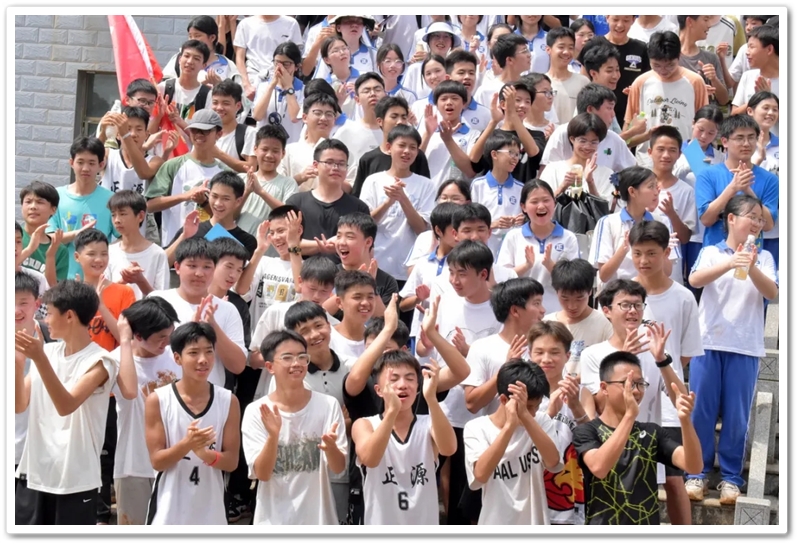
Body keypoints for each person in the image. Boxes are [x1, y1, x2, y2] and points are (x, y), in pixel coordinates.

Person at [686, 194, 778, 505]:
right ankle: (696, 474)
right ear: (731, 219)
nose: (757, 223)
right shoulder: (712, 252)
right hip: (708, 343)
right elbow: (695, 279)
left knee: (737, 417)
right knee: (701, 411)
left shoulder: (764, 258)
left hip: (745, 346)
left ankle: (730, 478)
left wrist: (750, 266)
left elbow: (772, 292)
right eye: (751, 216)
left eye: (760, 219)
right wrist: (730, 262)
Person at [15, 280, 122, 525]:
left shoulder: (101, 361)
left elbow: (66, 405)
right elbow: (19, 406)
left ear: (70, 315)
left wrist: (39, 358)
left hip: (75, 479)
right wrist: (18, 364)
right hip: (35, 473)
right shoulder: (48, 352)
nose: (46, 320)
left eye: (50, 313)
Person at [629, 221, 704, 525]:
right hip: (629, 397)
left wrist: (663, 370)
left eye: (651, 253)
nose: (643, 260)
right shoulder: (621, 292)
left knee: (673, 479)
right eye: (637, 253)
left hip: (669, 401)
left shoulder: (683, 297)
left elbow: (686, 351)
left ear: (665, 252)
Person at [573, 351, 703, 525]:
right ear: (604, 388)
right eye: (627, 384)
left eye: (640, 384)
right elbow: (599, 467)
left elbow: (693, 466)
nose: (635, 390)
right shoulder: (587, 431)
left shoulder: (652, 432)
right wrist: (629, 416)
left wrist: (685, 420)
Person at [241, 329, 347, 525]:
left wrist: (331, 448)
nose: (296, 363)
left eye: (301, 357)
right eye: (287, 358)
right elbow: (262, 474)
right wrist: (273, 437)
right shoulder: (256, 411)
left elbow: (338, 468)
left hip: (319, 520)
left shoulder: (328, 405)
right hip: (273, 521)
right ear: (270, 366)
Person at [144, 322, 241, 525]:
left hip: (212, 510)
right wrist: (187, 444)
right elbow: (157, 461)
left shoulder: (228, 401)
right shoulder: (158, 400)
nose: (203, 360)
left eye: (209, 351)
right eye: (194, 353)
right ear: (177, 358)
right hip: (168, 510)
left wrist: (205, 454)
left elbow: (232, 462)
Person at [352, 351, 457, 525]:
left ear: (418, 387)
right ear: (379, 390)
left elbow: (449, 448)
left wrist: (431, 399)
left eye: (410, 379)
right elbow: (370, 459)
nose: (403, 385)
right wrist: (392, 411)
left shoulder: (429, 422)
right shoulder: (364, 424)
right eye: (393, 379)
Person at [463, 359, 563, 525]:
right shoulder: (476, 428)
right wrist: (509, 427)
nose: (533, 413)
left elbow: (553, 462)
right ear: (504, 400)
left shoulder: (541, 421)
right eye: (528, 406)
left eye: (537, 406)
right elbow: (480, 475)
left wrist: (525, 415)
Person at [112, 297, 180, 525]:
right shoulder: (117, 359)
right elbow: (130, 391)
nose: (167, 342)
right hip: (133, 464)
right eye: (161, 337)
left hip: (175, 462)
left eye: (170, 334)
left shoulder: (177, 357)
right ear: (138, 336)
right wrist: (124, 341)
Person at [148, 238, 247, 387]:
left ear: (214, 270)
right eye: (192, 266)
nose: (199, 273)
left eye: (207, 267)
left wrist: (212, 326)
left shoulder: (227, 309)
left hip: (209, 396)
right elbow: (141, 347)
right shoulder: (157, 301)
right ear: (177, 267)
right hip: (162, 392)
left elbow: (238, 366)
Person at [528, 321, 594, 525]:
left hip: (569, 487)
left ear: (567, 355)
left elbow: (594, 439)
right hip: (529, 486)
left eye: (554, 352)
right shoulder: (521, 393)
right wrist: (548, 414)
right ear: (529, 354)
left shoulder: (581, 392)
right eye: (539, 352)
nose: (546, 359)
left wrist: (576, 406)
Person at [249, 255, 339, 397]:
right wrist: (284, 358)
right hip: (274, 395)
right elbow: (253, 359)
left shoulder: (333, 326)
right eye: (312, 288)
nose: (316, 296)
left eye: (324, 291)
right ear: (300, 281)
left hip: (316, 397)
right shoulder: (276, 312)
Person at [361, 124, 436, 282]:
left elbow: (422, 229)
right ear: (389, 147)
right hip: (376, 265)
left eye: (413, 147)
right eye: (401, 145)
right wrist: (388, 202)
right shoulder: (373, 181)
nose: (407, 151)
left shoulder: (427, 185)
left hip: (409, 269)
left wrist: (403, 199)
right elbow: (364, 225)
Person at [463, 277, 546, 417]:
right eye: (536, 303)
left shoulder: (547, 348)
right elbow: (472, 404)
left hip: (542, 428)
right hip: (500, 429)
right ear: (515, 311)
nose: (543, 310)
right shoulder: (482, 348)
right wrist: (506, 368)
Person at [145, 109, 229, 247]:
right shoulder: (172, 165)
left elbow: (230, 217)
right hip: (175, 246)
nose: (199, 134)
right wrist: (185, 196)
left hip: (212, 248)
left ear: (219, 134)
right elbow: (151, 205)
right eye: (195, 130)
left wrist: (204, 202)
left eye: (205, 131)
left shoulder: (225, 172)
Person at [624, 31, 709, 166]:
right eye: (656, 65)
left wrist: (698, 159)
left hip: (686, 158)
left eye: (670, 65)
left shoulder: (695, 82)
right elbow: (628, 127)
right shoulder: (641, 83)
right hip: (648, 160)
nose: (663, 70)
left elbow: (704, 124)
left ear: (679, 56)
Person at [588, 166, 679, 288]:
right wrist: (624, 248)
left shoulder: (662, 221)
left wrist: (663, 250)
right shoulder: (607, 223)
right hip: (618, 293)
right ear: (632, 191)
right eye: (651, 186)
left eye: (656, 186)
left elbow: (667, 272)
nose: (656, 192)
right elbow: (604, 275)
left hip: (649, 293)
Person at [498, 179, 580, 313]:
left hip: (557, 313)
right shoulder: (514, 236)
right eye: (534, 202)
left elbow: (574, 282)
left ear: (554, 202)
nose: (541, 206)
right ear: (523, 207)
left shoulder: (568, 238)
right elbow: (501, 279)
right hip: (521, 313)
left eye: (546, 200)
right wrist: (526, 266)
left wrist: (550, 265)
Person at [695, 114, 777, 247]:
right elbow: (706, 219)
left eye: (751, 137)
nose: (746, 143)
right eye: (739, 138)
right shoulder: (707, 175)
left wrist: (748, 190)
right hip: (715, 252)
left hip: (751, 253)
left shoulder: (770, 179)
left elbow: (768, 225)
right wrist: (733, 188)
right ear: (725, 141)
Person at [285, 139, 370, 259]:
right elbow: (286, 247)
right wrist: (323, 245)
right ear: (315, 165)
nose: (335, 168)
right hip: (302, 269)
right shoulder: (296, 203)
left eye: (341, 164)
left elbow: (365, 249)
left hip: (343, 271)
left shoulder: (359, 208)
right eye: (329, 162)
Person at [47, 136, 115, 279]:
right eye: (80, 162)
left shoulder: (111, 200)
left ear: (101, 165)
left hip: (98, 281)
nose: (85, 168)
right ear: (71, 163)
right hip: (62, 280)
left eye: (91, 163)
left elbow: (123, 239)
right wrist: (77, 234)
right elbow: (49, 239)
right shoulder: (56, 197)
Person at [164, 171, 257, 263]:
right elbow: (163, 263)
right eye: (214, 196)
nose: (218, 203)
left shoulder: (247, 241)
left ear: (238, 201)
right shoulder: (191, 230)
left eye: (226, 199)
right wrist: (184, 236)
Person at [399, 202, 460, 341]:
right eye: (454, 229)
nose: (458, 234)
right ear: (438, 230)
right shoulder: (423, 263)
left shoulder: (466, 264)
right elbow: (403, 305)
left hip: (454, 334)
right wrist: (418, 298)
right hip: (421, 333)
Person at [540, 84, 636, 173]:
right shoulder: (562, 133)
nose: (613, 114)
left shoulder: (614, 139)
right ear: (590, 110)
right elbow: (546, 172)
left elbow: (632, 173)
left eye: (594, 142)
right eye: (609, 108)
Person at [235, 205, 302, 328]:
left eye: (281, 231)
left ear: (299, 230)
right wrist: (259, 250)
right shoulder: (263, 262)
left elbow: (300, 288)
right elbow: (241, 290)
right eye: (271, 232)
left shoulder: (308, 267)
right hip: (258, 338)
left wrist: (293, 243)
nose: (276, 237)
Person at [352, 95, 431, 197]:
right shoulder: (368, 159)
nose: (400, 121)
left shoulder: (416, 156)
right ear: (380, 121)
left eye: (404, 117)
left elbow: (426, 193)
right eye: (394, 117)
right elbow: (358, 197)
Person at [14, 272, 53, 476]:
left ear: (37, 304)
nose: (16, 310)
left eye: (23, 303)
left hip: (42, 453)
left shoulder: (53, 339)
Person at [74, 228, 136, 352]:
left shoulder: (124, 292)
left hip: (114, 360)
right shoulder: (71, 293)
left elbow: (128, 340)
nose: (98, 259)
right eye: (91, 254)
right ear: (77, 257)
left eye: (104, 254)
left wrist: (101, 307)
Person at [470, 81, 545, 183]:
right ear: (503, 104)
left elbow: (534, 153)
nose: (523, 105)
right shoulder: (491, 134)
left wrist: (513, 113)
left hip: (523, 191)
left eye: (527, 102)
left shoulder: (537, 135)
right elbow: (474, 160)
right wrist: (494, 121)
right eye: (517, 100)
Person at [326, 212, 397, 317]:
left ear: (368, 242)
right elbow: (315, 314)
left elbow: (386, 321)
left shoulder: (387, 281)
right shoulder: (328, 273)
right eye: (338, 236)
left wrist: (370, 285)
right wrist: (353, 285)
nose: (341, 242)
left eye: (349, 237)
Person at [105, 190, 170, 300]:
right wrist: (123, 281)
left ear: (140, 216)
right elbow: (103, 294)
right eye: (113, 215)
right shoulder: (108, 251)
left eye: (122, 214)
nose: (117, 220)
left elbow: (162, 300)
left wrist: (140, 281)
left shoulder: (157, 254)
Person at [543, 258, 613, 358]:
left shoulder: (604, 323)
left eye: (579, 298)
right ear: (556, 292)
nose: (572, 306)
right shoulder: (547, 323)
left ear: (590, 292)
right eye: (565, 298)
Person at [540, 112, 615, 204]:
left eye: (593, 142)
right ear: (572, 139)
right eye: (583, 141)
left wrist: (590, 182)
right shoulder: (552, 169)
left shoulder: (607, 174)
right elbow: (543, 203)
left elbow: (605, 208)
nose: (587, 146)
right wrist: (563, 186)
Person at [236, 125, 299, 234]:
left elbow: (289, 215)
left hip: (269, 244)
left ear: (283, 153)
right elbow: (230, 215)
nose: (269, 155)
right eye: (264, 149)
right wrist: (247, 191)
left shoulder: (288, 183)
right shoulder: (241, 178)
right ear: (255, 149)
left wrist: (261, 192)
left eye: (275, 151)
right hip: (237, 243)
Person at [420, 81, 482, 187]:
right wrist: (428, 134)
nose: (449, 102)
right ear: (436, 104)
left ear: (464, 103)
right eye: (443, 99)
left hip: (458, 195)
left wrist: (448, 140)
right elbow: (413, 163)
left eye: (455, 98)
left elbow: (470, 171)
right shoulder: (427, 133)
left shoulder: (474, 135)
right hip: (429, 194)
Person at [278, 93, 341, 192]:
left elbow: (351, 185)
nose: (323, 118)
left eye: (329, 114)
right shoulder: (289, 151)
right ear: (304, 117)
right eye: (318, 113)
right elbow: (277, 186)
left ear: (334, 119)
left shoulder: (341, 152)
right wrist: (300, 177)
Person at [647, 126, 696, 249]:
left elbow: (685, 238)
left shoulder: (686, 191)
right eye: (660, 149)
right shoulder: (637, 186)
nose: (666, 155)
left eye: (672, 150)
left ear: (679, 154)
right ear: (650, 152)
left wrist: (671, 214)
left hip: (671, 258)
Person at [234, 15, 303, 101]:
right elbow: (239, 58)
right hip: (253, 80)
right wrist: (246, 85)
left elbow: (295, 56)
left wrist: (288, 84)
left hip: (280, 80)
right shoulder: (245, 24)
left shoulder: (291, 23)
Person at [333, 73, 387, 183]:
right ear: (357, 100)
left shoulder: (395, 131)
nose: (372, 94)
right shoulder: (346, 131)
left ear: (385, 95)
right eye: (366, 91)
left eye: (377, 89)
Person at [746, 92, 780, 268]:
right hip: (745, 226)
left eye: (775, 109)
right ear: (750, 111)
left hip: (775, 228)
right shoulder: (738, 144)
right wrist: (757, 160)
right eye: (765, 108)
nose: (771, 113)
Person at [152, 40, 214, 133]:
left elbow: (204, 136)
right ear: (179, 59)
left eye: (196, 59)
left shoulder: (208, 96)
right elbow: (149, 131)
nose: (190, 61)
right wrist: (158, 116)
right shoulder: (163, 88)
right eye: (187, 56)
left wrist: (180, 122)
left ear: (204, 65)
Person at [162, 15, 241, 84]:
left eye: (197, 36)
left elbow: (239, 92)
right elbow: (165, 84)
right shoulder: (180, 59)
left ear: (212, 38)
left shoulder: (228, 65)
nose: (193, 40)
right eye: (190, 36)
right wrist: (196, 86)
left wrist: (219, 86)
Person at [602, 15, 650, 127]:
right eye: (615, 19)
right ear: (607, 17)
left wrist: (636, 91)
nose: (620, 25)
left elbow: (647, 82)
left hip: (630, 115)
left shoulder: (641, 48)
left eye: (626, 20)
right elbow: (585, 80)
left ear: (633, 20)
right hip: (600, 113)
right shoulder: (593, 45)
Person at [252, 42, 305, 144]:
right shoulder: (263, 86)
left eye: (286, 64)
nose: (280, 68)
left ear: (297, 66)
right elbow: (257, 116)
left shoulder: (303, 90)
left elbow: (295, 117)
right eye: (277, 63)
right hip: (265, 145)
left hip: (290, 145)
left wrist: (289, 87)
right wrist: (271, 85)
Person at [19, 181, 68, 285]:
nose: (33, 207)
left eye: (40, 202)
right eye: (28, 202)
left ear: (53, 210)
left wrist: (50, 256)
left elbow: (54, 290)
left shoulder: (60, 250)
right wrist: (29, 249)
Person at [677, 16, 729, 108]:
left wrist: (714, 79)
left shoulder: (711, 58)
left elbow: (724, 100)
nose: (709, 25)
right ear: (690, 21)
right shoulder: (669, 57)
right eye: (705, 20)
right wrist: (698, 90)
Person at [732, 25, 779, 120]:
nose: (747, 52)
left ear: (769, 49)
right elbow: (734, 115)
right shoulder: (748, 76)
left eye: (751, 47)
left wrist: (768, 98)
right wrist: (757, 99)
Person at [209, 80, 258, 173]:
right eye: (215, 103)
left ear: (238, 106)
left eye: (226, 103)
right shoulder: (206, 131)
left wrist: (219, 154)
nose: (219, 108)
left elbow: (252, 167)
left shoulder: (248, 133)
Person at [329, 269, 377, 362]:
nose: (365, 302)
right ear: (339, 302)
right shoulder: (328, 339)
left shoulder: (378, 340)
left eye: (370, 297)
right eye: (357, 297)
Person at [546, 27, 590, 124]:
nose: (566, 52)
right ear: (548, 49)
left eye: (570, 48)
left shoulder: (583, 82)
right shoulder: (541, 83)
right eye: (561, 47)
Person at [475, 33, 532, 108]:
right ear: (509, 60)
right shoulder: (485, 91)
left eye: (527, 50)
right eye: (524, 51)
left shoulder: (531, 87)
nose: (529, 55)